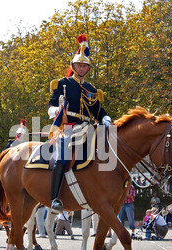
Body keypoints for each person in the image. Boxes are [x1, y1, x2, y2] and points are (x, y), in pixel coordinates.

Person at [47, 34, 111, 214]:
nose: (82, 68)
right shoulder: (63, 84)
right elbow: (50, 106)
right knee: (64, 153)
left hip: (88, 127)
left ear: (88, 68)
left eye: (85, 65)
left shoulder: (91, 89)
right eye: (79, 65)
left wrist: (106, 118)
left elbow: (98, 110)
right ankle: (54, 199)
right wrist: (57, 111)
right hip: (68, 126)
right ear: (73, 66)